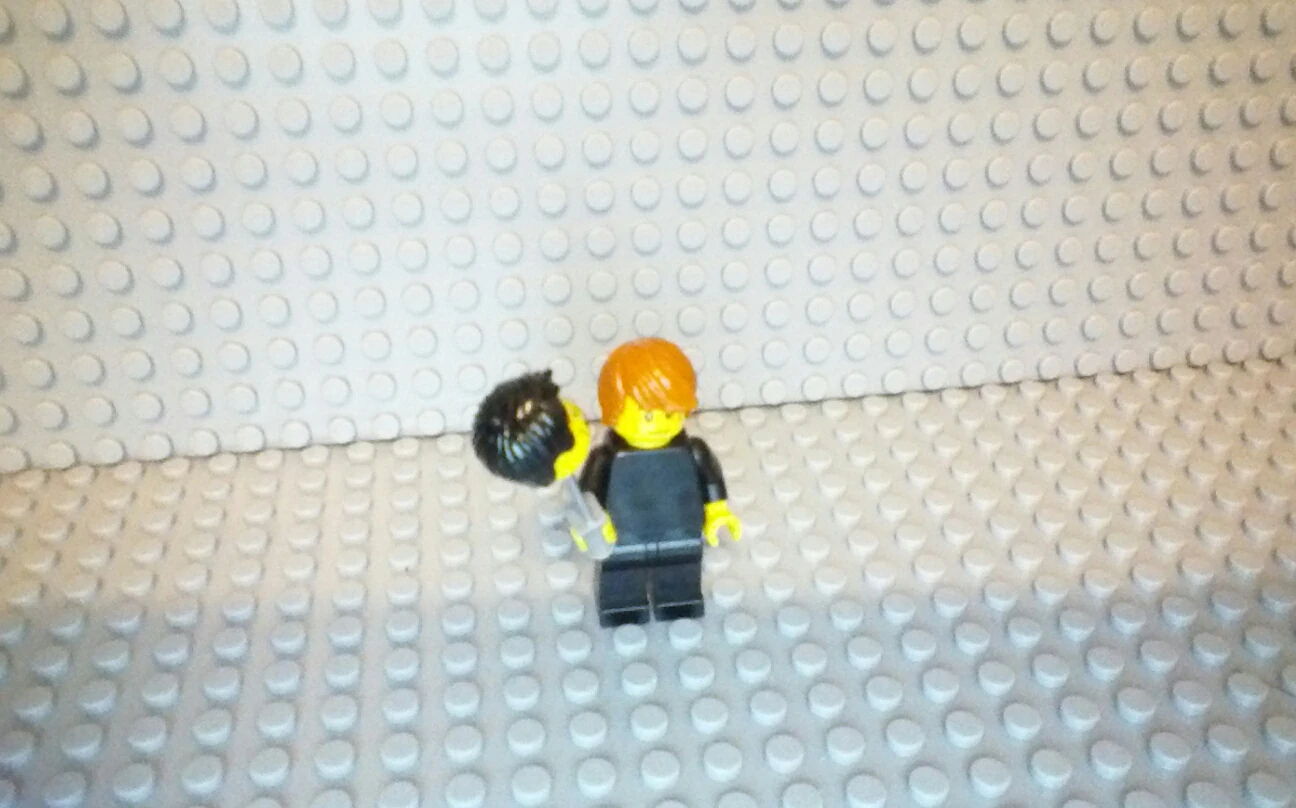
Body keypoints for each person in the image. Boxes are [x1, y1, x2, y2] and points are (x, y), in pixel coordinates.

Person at [580, 337, 741, 627]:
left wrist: (717, 511)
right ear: (613, 409)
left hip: (680, 531)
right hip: (622, 536)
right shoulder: (606, 458)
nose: (658, 423)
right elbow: (589, 495)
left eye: (668, 413)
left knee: (681, 570)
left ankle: (679, 601)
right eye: (647, 414)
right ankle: (622, 606)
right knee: (621, 574)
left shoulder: (692, 451)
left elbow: (710, 479)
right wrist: (587, 522)